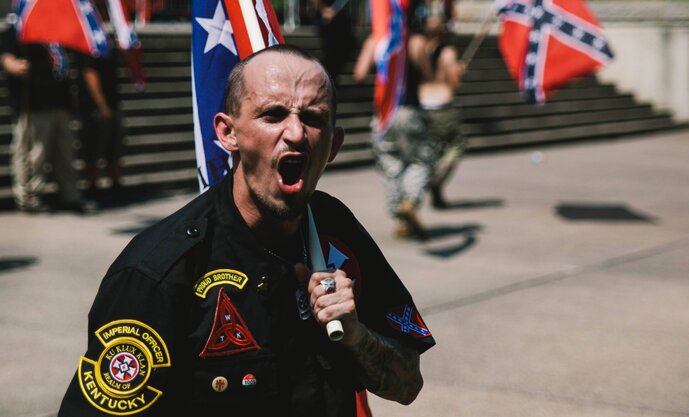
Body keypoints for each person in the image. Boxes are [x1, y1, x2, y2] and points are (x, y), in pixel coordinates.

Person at [57, 45, 434, 416]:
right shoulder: (159, 272)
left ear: (334, 144)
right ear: (227, 133)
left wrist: (355, 335)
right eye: (273, 115)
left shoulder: (335, 231)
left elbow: (407, 383)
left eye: (314, 118)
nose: (297, 133)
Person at [0, 21, 97, 214]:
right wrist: (13, 65)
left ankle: (70, 196)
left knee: (66, 154)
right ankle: (29, 197)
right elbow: (6, 56)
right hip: (35, 103)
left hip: (61, 102)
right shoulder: (18, 27)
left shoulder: (56, 30)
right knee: (33, 153)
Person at [353, 15, 434, 240]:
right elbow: (428, 76)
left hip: (383, 114)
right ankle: (410, 201)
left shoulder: (376, 40)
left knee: (391, 166)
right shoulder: (416, 41)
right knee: (420, 161)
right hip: (409, 110)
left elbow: (359, 73)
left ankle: (399, 218)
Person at [413, 3, 466, 209]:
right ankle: (436, 179)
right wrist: (460, 70)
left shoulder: (420, 48)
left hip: (423, 104)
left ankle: (437, 190)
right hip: (443, 105)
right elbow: (454, 81)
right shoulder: (448, 52)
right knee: (456, 145)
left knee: (433, 149)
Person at [78, 46, 126, 194]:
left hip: (112, 102)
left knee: (114, 147)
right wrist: (102, 105)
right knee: (93, 148)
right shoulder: (89, 43)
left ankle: (116, 185)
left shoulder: (107, 42)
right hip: (95, 108)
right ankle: (93, 186)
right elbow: (89, 73)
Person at [309, 0, 355, 87]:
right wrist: (323, 9)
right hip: (326, 18)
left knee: (347, 45)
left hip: (339, 17)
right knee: (331, 49)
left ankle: (331, 78)